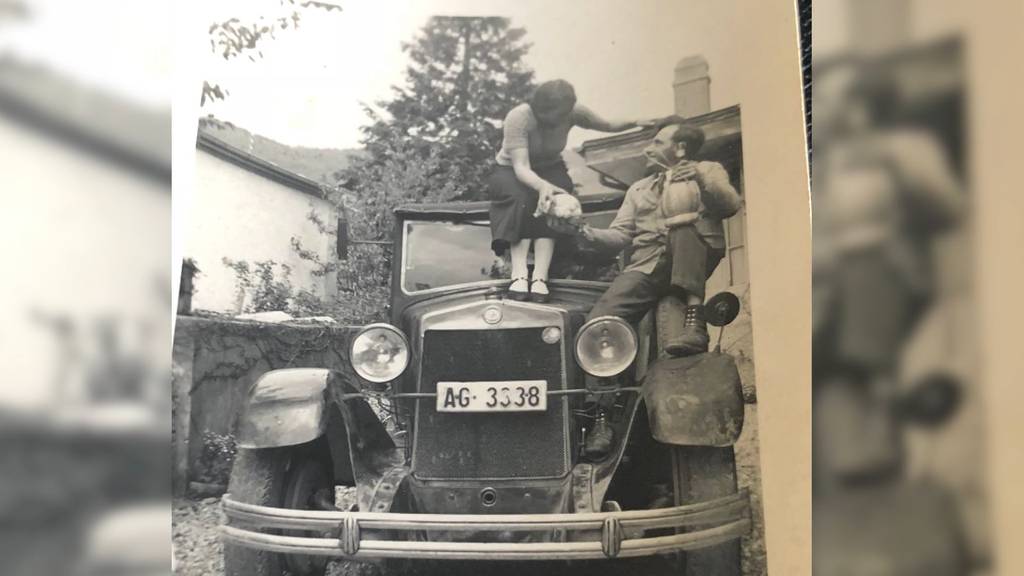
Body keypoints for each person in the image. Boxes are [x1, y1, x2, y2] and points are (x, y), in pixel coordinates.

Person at [581, 117, 741, 357]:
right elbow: (620, 234)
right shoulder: (638, 189)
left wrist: (699, 178)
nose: (648, 149)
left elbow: (730, 205)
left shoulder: (708, 170)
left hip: (692, 255)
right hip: (648, 265)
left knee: (682, 227)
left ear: (680, 148)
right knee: (599, 321)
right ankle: (609, 383)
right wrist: (583, 231)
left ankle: (696, 325)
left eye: (657, 143)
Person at [489, 79, 647, 302]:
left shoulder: (574, 113)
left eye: (561, 116)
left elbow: (608, 125)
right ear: (539, 108)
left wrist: (640, 122)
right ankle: (519, 274)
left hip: (550, 165)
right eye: (550, 116)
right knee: (522, 199)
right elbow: (521, 167)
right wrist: (543, 186)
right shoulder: (520, 117)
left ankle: (540, 278)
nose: (555, 122)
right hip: (511, 169)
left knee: (559, 204)